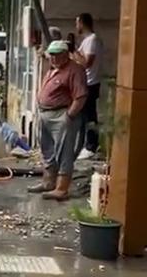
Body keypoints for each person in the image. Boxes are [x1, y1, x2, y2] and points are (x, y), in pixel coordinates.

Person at [28, 40, 88, 201]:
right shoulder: (53, 69)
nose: (52, 58)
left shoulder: (74, 70)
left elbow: (80, 96)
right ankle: (48, 182)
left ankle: (62, 188)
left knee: (64, 152)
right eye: (51, 55)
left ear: (65, 54)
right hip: (45, 114)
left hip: (61, 115)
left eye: (56, 55)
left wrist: (69, 115)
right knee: (48, 150)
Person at [73, 13, 102, 160]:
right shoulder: (87, 40)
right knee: (84, 116)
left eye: (77, 23)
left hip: (90, 83)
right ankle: (86, 144)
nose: (76, 26)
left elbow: (86, 63)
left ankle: (91, 145)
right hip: (85, 82)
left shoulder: (92, 40)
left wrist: (75, 52)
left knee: (89, 115)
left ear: (83, 23)